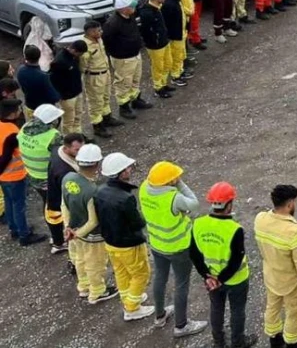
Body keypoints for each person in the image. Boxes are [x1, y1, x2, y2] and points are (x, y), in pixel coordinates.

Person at [140, 161, 206, 337]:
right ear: (169, 181)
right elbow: (194, 205)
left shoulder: (144, 188)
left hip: (157, 243)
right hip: (178, 247)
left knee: (160, 277)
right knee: (181, 283)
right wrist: (180, 184)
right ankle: (181, 325)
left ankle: (160, 315)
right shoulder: (173, 197)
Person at [189, 182, 254, 348]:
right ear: (230, 204)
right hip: (236, 280)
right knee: (237, 311)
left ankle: (218, 342)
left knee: (216, 309)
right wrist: (221, 278)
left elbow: (194, 254)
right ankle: (238, 342)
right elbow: (236, 260)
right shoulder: (234, 229)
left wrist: (207, 276)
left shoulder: (198, 224)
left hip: (211, 278)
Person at [255, 185, 297, 348]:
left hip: (271, 276)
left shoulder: (260, 219)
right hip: (291, 282)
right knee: (294, 313)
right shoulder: (294, 231)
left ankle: (275, 340)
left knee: (272, 307)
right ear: (290, 204)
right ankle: (293, 343)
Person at [95, 152, 155, 320]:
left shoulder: (100, 191)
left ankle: (127, 298)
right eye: (127, 167)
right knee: (141, 273)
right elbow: (137, 223)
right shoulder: (126, 197)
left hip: (111, 242)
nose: (130, 169)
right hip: (129, 244)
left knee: (121, 273)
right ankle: (132, 307)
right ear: (121, 173)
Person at [62, 143, 118, 303]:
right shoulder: (93, 191)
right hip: (91, 236)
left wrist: (69, 229)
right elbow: (93, 221)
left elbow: (64, 205)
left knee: (79, 259)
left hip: (74, 229)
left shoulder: (68, 178)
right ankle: (97, 291)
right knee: (95, 263)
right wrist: (78, 234)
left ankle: (84, 287)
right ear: (97, 164)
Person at [0, 99, 48, 246]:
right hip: (14, 176)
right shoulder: (13, 133)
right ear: (13, 113)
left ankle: (14, 229)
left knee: (9, 202)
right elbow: (8, 156)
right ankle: (24, 235)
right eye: (19, 109)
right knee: (19, 205)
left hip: (3, 177)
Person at [18, 104, 64, 248]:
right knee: (55, 208)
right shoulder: (53, 136)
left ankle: (57, 236)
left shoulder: (25, 128)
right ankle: (59, 241)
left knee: (48, 205)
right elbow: (62, 157)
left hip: (33, 176)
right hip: (49, 179)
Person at [103, 0, 152, 118]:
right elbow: (107, 41)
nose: (134, 8)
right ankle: (123, 107)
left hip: (135, 54)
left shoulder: (129, 17)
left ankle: (135, 99)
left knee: (135, 79)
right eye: (131, 6)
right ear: (124, 9)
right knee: (123, 83)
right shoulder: (113, 23)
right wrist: (118, 51)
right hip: (123, 59)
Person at [81, 19, 125, 138]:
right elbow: (82, 64)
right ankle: (97, 125)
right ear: (90, 32)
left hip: (105, 72)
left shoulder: (99, 40)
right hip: (94, 76)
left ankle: (107, 117)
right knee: (95, 102)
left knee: (106, 96)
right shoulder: (85, 45)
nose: (101, 32)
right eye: (98, 30)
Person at [47, 132, 83, 255]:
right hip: (59, 200)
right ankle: (59, 243)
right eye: (77, 149)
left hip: (51, 192)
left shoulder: (57, 149)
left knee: (53, 219)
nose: (80, 152)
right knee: (62, 220)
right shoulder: (65, 171)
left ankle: (56, 238)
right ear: (67, 148)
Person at [138, 0, 175, 99]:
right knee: (158, 67)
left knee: (168, 63)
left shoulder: (156, 8)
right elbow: (146, 31)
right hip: (155, 45)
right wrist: (155, 39)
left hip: (164, 41)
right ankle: (158, 88)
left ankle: (163, 84)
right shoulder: (147, 13)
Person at [48, 40, 86, 136]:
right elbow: (53, 80)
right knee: (69, 120)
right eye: (79, 53)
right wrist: (60, 95)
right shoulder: (59, 62)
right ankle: (69, 139)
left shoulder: (74, 57)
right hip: (67, 96)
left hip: (77, 91)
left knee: (78, 116)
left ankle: (78, 135)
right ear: (73, 50)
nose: (80, 56)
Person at [17, 45, 60, 121]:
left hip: (30, 107)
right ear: (39, 56)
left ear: (25, 57)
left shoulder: (21, 71)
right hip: (44, 111)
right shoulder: (43, 76)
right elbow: (54, 97)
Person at [161, 0, 191, 87]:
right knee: (176, 55)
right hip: (175, 35)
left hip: (181, 32)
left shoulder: (175, 0)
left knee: (181, 54)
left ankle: (180, 70)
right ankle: (175, 75)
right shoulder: (169, 4)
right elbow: (167, 22)